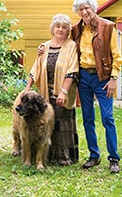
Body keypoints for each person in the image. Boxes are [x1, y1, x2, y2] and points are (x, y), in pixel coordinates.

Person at [71, 0, 122, 173]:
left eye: (87, 8)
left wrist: (113, 79)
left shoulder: (107, 27)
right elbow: (65, 47)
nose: (84, 12)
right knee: (88, 118)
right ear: (78, 12)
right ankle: (94, 155)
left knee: (107, 118)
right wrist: (43, 48)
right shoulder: (75, 29)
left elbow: (117, 56)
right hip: (83, 77)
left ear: (94, 8)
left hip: (103, 78)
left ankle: (114, 158)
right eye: (81, 9)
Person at [23, 13, 80, 165]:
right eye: (57, 26)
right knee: (46, 125)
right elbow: (36, 68)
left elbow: (72, 71)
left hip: (62, 92)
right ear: (52, 29)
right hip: (45, 93)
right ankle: (43, 156)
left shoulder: (71, 46)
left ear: (68, 31)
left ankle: (63, 157)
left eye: (64, 27)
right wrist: (27, 87)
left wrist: (64, 92)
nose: (60, 30)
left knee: (61, 124)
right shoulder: (44, 47)